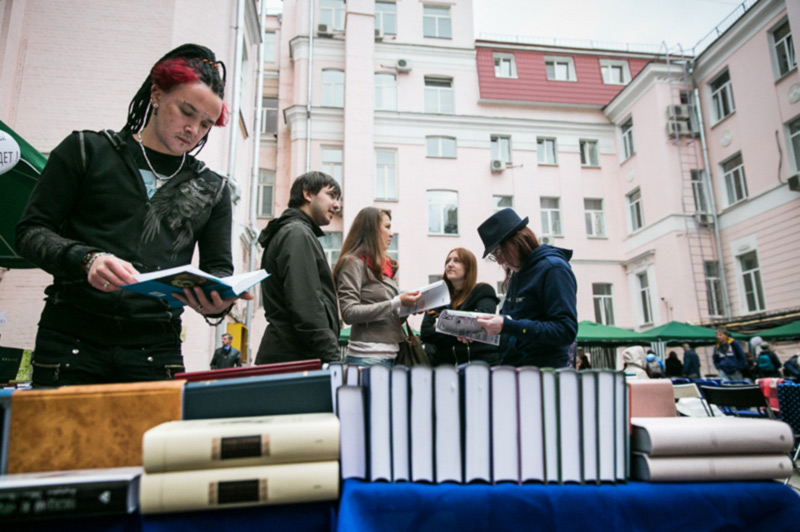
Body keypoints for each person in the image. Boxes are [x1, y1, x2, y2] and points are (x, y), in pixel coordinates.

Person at [16, 44, 249, 386]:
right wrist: (86, 260)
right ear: (156, 93)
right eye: (186, 112)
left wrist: (216, 304)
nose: (194, 130)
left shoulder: (213, 189)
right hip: (69, 343)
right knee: (60, 442)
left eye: (206, 124)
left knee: (154, 443)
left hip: (156, 350)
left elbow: (219, 270)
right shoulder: (86, 151)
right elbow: (30, 232)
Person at [255, 172, 342, 365]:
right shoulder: (297, 234)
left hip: (291, 357)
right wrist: (333, 359)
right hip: (295, 360)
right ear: (308, 194)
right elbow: (307, 306)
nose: (337, 205)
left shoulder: (296, 232)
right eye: (331, 196)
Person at [475, 208, 577, 368]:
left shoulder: (553, 269)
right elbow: (512, 326)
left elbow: (565, 331)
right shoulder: (518, 274)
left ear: (518, 241)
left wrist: (505, 325)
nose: (500, 261)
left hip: (544, 373)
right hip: (518, 370)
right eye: (494, 256)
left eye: (499, 252)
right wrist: (477, 332)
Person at [332, 207, 421, 367]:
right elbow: (349, 313)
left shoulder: (384, 267)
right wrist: (396, 302)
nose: (391, 233)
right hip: (367, 359)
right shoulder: (353, 263)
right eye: (387, 227)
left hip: (390, 356)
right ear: (371, 230)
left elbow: (388, 317)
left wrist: (409, 308)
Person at [420, 248, 501, 366]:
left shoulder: (483, 291)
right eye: (448, 261)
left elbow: (481, 325)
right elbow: (426, 333)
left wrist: (439, 324)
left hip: (479, 366)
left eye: (457, 261)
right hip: (445, 368)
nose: (450, 264)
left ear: (468, 267)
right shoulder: (437, 298)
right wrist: (462, 327)